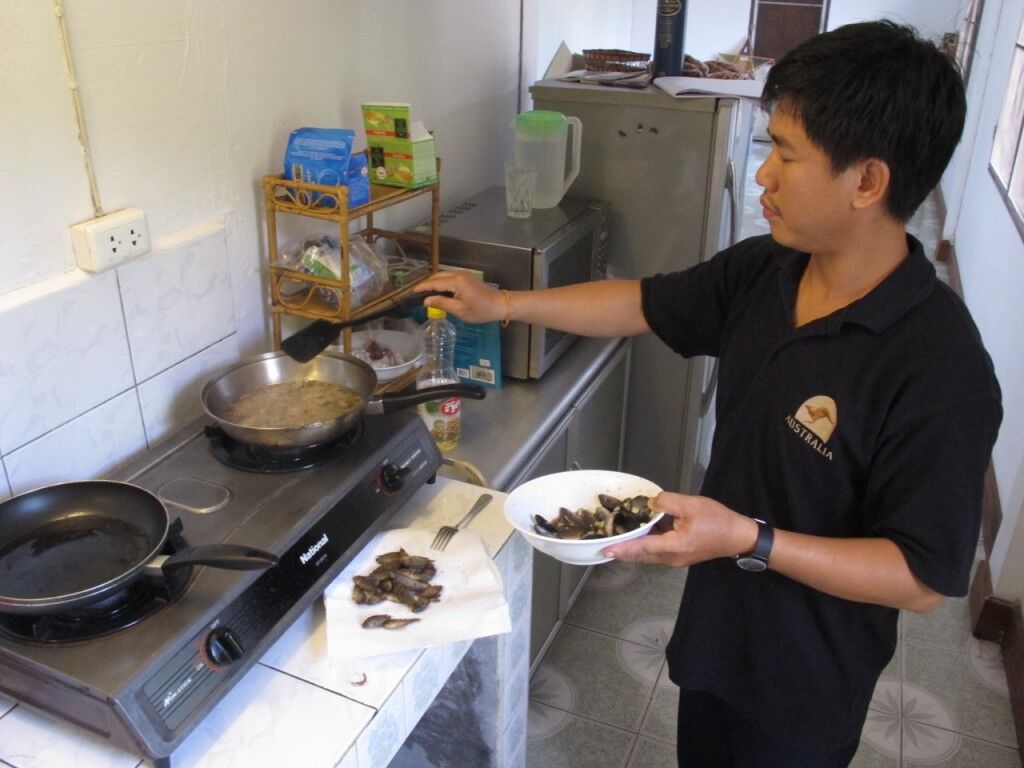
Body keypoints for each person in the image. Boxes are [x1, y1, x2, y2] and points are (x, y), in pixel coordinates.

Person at [416, 20, 1002, 768]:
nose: (763, 175)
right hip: (716, 636)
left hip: (805, 685)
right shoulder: (770, 271)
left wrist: (749, 539)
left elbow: (922, 577)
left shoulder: (941, 369)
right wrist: (501, 306)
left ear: (867, 181)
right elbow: (641, 302)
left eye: (787, 154)